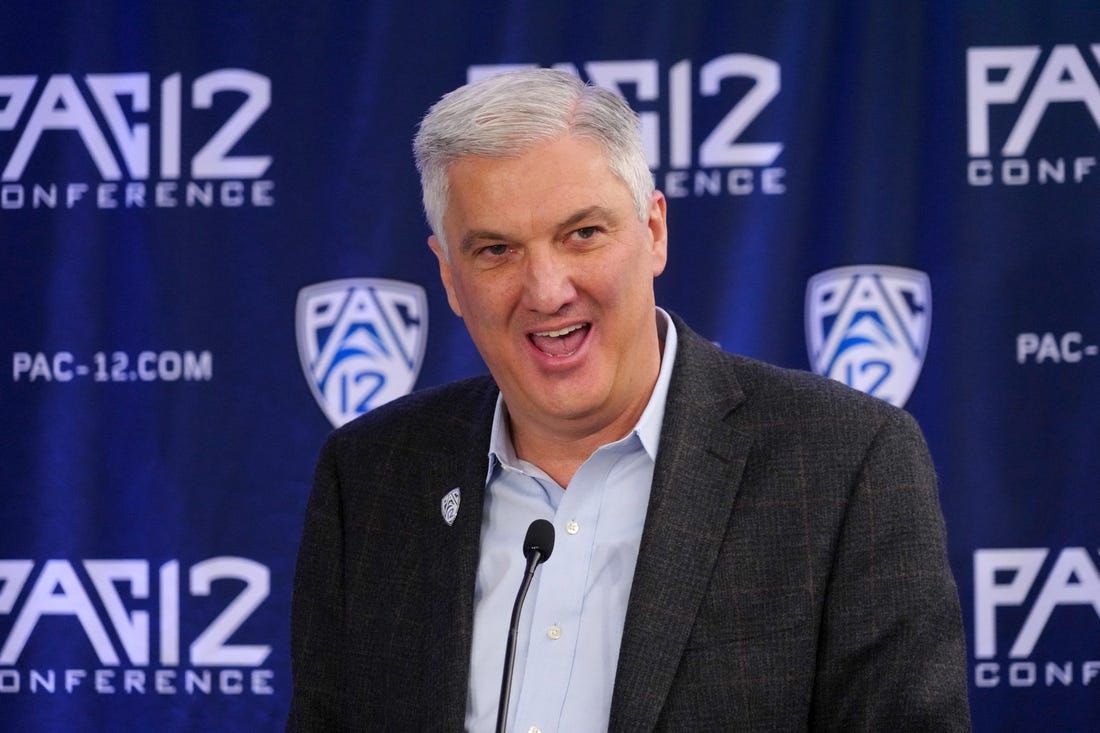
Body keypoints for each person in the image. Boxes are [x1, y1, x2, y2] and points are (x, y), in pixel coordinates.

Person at [287, 68, 971, 732]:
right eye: (496, 250)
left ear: (653, 232)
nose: (548, 289)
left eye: (582, 233)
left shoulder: (843, 462)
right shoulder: (372, 475)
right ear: (449, 277)